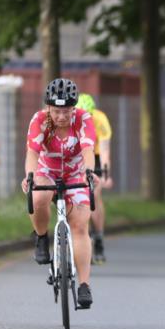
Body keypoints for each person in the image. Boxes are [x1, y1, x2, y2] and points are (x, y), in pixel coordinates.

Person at [22, 78, 97, 308]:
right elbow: (33, 153)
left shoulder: (84, 119)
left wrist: (89, 173)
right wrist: (31, 176)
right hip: (47, 170)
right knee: (38, 197)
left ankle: (84, 285)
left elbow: (87, 150)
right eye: (56, 111)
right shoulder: (39, 120)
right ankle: (42, 238)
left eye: (66, 111)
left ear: (73, 108)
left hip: (75, 173)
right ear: (48, 108)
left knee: (81, 225)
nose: (62, 117)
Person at [76, 94, 113, 264]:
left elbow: (105, 151)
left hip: (96, 155)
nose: (86, 119)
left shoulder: (100, 119)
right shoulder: (71, 120)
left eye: (89, 115)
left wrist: (105, 174)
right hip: (78, 155)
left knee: (94, 195)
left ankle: (98, 238)